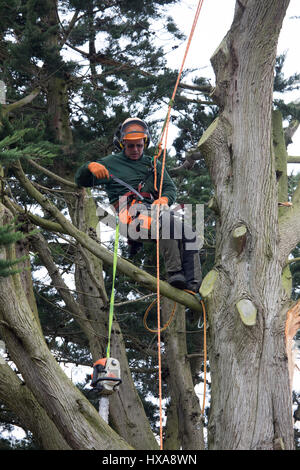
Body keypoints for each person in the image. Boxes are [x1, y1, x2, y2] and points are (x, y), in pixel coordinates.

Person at [75, 117, 201, 292]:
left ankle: (194, 285)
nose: (135, 149)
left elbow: (169, 188)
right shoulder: (111, 163)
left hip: (152, 213)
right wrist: (89, 167)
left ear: (145, 143)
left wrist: (164, 199)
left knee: (188, 232)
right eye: (130, 146)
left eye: (139, 145)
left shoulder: (152, 164)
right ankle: (175, 273)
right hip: (130, 218)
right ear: (122, 144)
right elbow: (80, 180)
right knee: (164, 220)